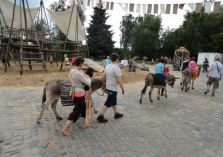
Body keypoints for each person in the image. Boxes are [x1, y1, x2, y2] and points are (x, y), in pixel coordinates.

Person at [61, 56, 91, 136]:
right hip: (79, 93)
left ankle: (85, 123)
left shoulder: (72, 70)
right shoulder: (78, 73)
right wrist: (88, 77)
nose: (83, 65)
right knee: (75, 112)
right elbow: (89, 83)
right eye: (82, 63)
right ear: (80, 63)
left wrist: (84, 75)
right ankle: (64, 129)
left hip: (75, 92)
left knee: (83, 108)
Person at [97, 53, 125, 123]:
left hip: (108, 87)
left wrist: (103, 84)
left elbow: (103, 77)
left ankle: (116, 113)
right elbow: (119, 80)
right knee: (109, 101)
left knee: (113, 100)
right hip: (113, 88)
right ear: (117, 59)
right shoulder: (116, 68)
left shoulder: (107, 66)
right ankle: (100, 116)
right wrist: (122, 88)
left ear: (111, 59)